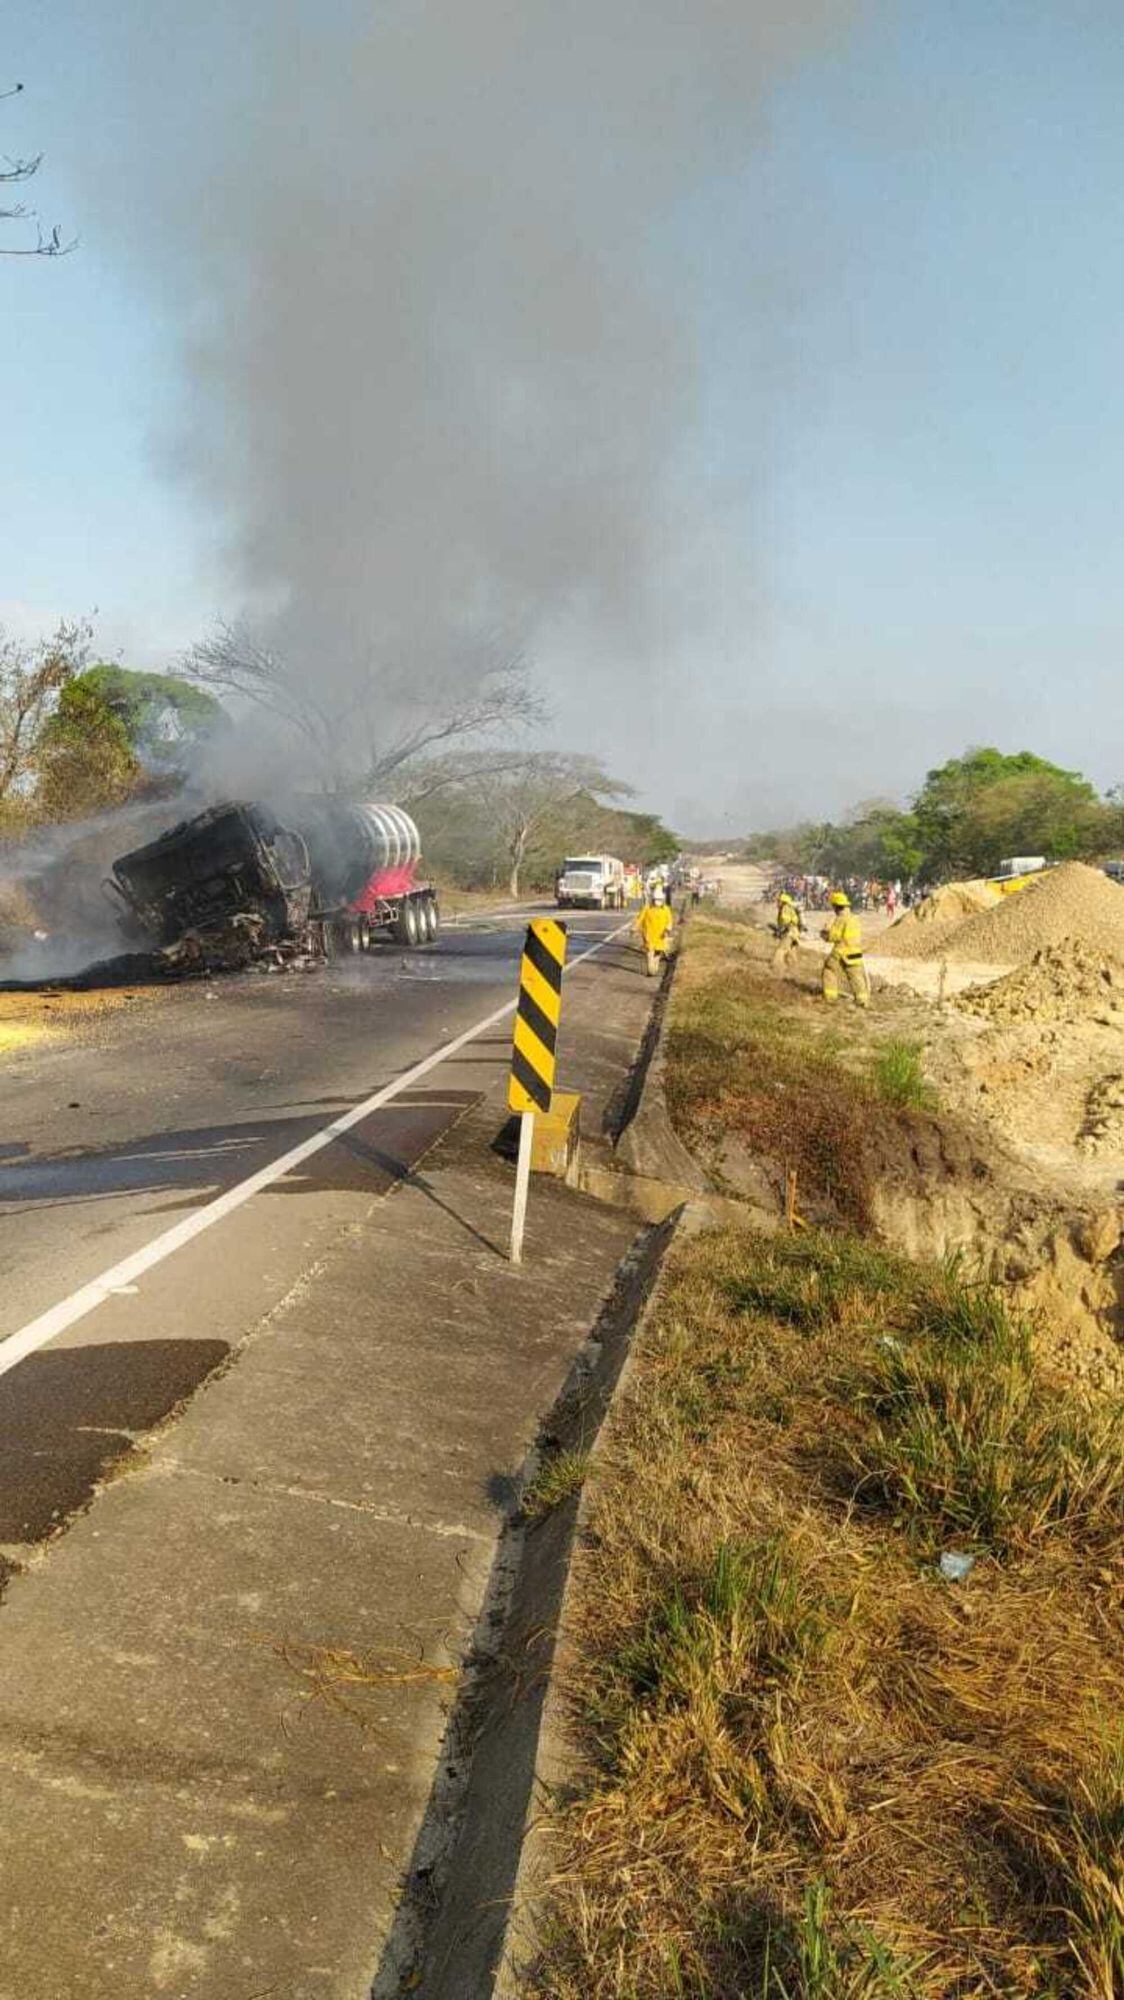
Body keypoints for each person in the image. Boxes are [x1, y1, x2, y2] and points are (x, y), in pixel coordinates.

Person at [821, 889, 869, 1008]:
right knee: (856, 976)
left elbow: (834, 936)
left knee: (829, 970)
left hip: (842, 951)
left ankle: (830, 997)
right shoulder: (854, 918)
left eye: (834, 906)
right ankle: (862, 1000)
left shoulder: (841, 918)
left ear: (837, 906)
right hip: (856, 951)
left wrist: (825, 933)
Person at [636, 886, 673, 976]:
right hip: (649, 935)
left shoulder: (666, 910)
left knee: (658, 953)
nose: (658, 902)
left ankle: (654, 968)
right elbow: (640, 919)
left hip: (661, 936)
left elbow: (669, 921)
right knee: (650, 953)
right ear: (653, 899)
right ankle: (650, 970)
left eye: (660, 900)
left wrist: (667, 930)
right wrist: (635, 928)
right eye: (656, 899)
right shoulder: (647, 908)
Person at [772, 890, 803, 972]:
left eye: (779, 901)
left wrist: (778, 930)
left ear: (783, 902)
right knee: (790, 952)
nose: (777, 903)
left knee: (781, 949)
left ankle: (776, 967)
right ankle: (794, 968)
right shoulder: (789, 908)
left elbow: (785, 922)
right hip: (794, 933)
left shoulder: (785, 908)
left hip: (790, 932)